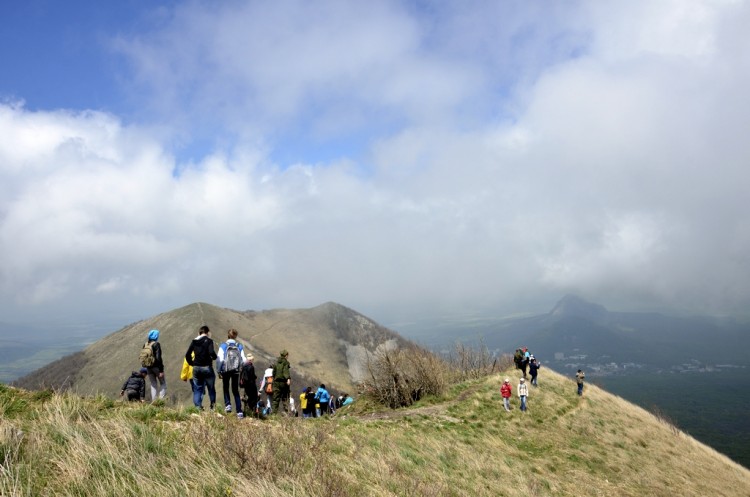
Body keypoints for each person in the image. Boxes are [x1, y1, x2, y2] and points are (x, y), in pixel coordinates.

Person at [185, 325, 217, 410]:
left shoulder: (194, 341)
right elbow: (211, 352)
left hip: (196, 367)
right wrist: (214, 357)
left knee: (197, 389)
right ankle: (212, 407)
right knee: (211, 388)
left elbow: (187, 354)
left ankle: (197, 408)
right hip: (207, 367)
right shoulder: (209, 341)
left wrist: (191, 363)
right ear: (207, 332)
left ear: (199, 333)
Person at [217, 329, 247, 418]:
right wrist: (240, 368)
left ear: (228, 335)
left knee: (225, 387)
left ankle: (228, 405)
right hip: (236, 371)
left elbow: (220, 359)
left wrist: (219, 370)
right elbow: (244, 359)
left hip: (226, 370)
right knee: (235, 390)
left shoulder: (223, 346)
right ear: (235, 336)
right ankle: (239, 412)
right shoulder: (239, 346)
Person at [144, 329, 167, 401]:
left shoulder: (146, 344)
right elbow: (158, 358)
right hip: (156, 367)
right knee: (163, 384)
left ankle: (154, 401)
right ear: (156, 336)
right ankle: (160, 400)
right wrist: (161, 370)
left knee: (153, 384)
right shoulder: (156, 344)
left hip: (148, 367)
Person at [271, 350, 292, 415]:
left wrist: (274, 379)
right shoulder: (285, 363)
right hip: (283, 382)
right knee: (285, 398)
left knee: (275, 399)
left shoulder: (276, 362)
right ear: (286, 355)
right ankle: (286, 412)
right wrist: (288, 378)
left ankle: (274, 413)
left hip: (276, 382)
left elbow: (273, 372)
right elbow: (285, 371)